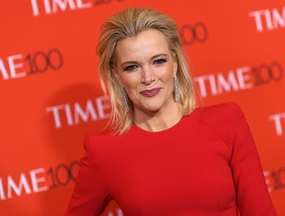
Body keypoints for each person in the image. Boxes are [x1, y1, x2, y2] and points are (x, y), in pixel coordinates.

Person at [65, 8, 277, 216]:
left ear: (174, 64)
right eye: (132, 67)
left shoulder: (226, 122)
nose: (148, 77)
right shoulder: (103, 151)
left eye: (158, 61)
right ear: (117, 75)